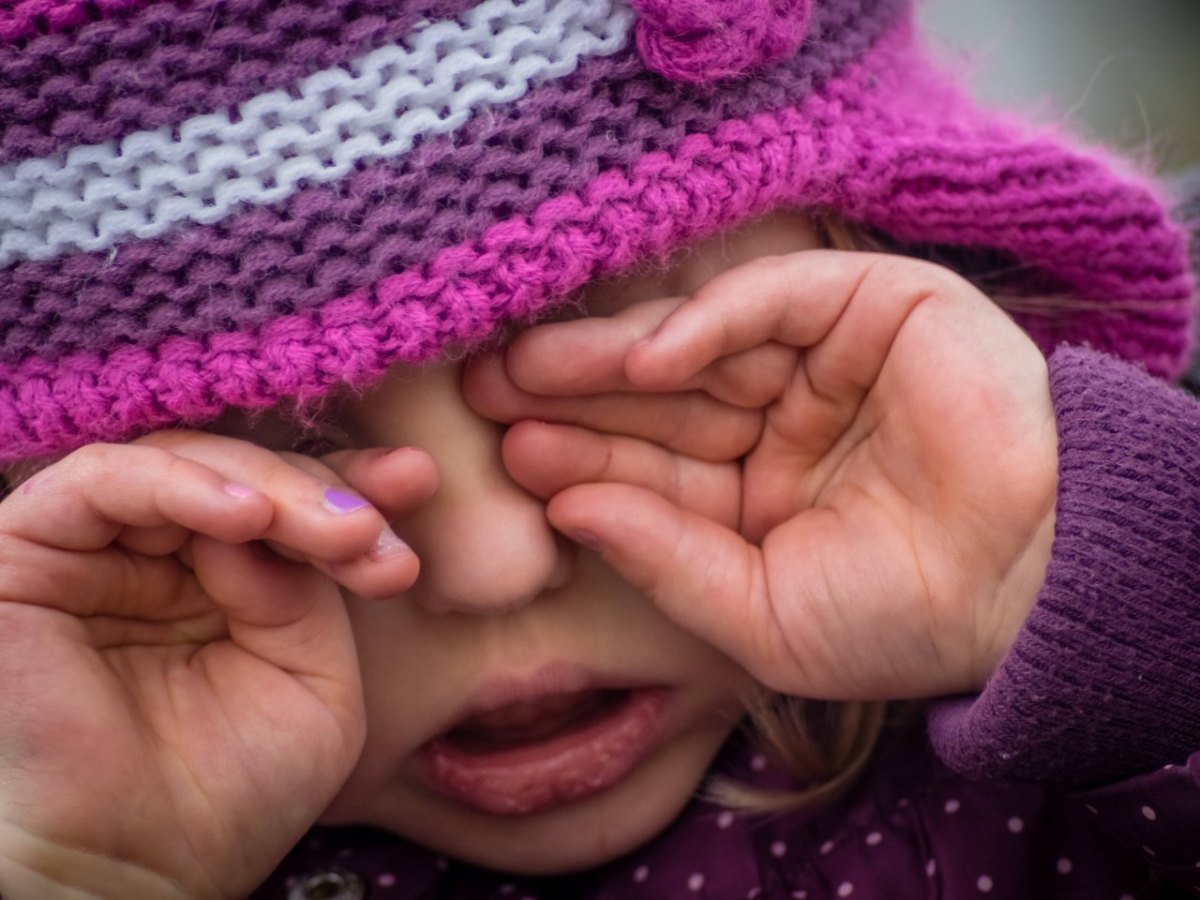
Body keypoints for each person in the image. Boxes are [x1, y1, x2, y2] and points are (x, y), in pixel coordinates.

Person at [0, 0, 1197, 897]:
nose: (494, 569)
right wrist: (75, 872)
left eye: (623, 361)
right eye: (267, 457)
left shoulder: (1085, 775)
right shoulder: (70, 842)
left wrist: (1081, 576)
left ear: (897, 254)